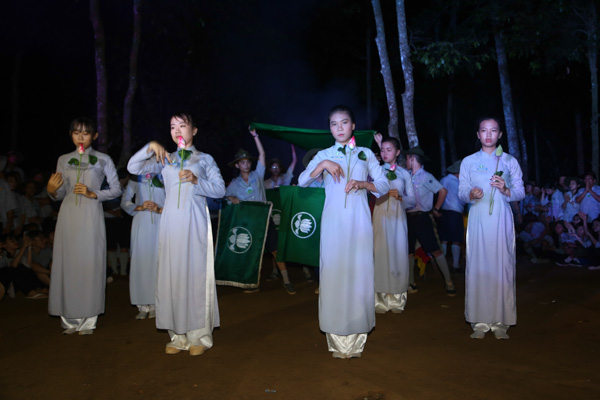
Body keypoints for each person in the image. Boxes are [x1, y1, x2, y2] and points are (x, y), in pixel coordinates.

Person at [127, 112, 225, 356]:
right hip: (170, 224)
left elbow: (220, 190)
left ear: (194, 130)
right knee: (171, 276)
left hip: (195, 223)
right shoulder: (165, 159)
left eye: (182, 125)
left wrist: (196, 180)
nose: (177, 130)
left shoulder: (205, 159)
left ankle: (199, 336)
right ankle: (177, 336)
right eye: (172, 127)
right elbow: (132, 167)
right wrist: (150, 147)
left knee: (194, 275)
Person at [298, 105, 389, 358]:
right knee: (334, 276)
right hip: (333, 224)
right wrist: (323, 164)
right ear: (330, 128)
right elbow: (302, 181)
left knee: (359, 275)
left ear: (353, 125)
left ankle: (357, 338)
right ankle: (337, 339)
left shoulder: (365, 154)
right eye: (334, 124)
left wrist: (363, 184)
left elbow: (383, 185)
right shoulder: (324, 154)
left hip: (359, 223)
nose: (339, 128)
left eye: (344, 122)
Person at [46, 117, 121, 335]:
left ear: (94, 136)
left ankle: (88, 320)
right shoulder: (64, 159)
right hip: (68, 214)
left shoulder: (103, 159)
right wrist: (51, 191)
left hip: (91, 214)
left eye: (86, 133)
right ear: (71, 134)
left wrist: (93, 193)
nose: (80, 136)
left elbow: (116, 189)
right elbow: (60, 193)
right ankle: (69, 319)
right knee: (68, 263)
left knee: (89, 263)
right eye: (76, 132)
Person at [458, 117, 525, 340]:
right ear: (478, 135)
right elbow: (461, 191)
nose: (488, 134)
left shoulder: (509, 161)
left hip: (501, 219)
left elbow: (520, 191)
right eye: (484, 130)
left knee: (502, 266)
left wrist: (506, 189)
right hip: (478, 217)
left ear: (500, 134)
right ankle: (479, 321)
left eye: (493, 130)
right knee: (478, 266)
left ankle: (501, 321)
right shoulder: (468, 161)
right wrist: (470, 194)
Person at [225, 128, 296, 294]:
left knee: (275, 250)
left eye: (248, 161)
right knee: (250, 252)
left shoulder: (258, 175)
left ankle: (286, 281)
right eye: (242, 162)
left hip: (264, 218)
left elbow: (262, 155)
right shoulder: (234, 184)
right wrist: (230, 198)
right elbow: (223, 197)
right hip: (247, 222)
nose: (246, 164)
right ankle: (250, 282)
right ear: (237, 165)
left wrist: (255, 136)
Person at [372, 133, 415, 314]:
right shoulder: (376, 171)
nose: (384, 153)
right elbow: (371, 191)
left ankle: (397, 299)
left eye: (389, 150)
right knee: (380, 254)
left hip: (398, 219)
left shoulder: (404, 174)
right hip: (380, 216)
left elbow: (412, 200)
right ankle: (380, 300)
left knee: (398, 255)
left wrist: (401, 196)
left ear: (397, 152)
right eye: (382, 150)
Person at [404, 146, 456, 296]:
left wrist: (436, 208)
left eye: (407, 159)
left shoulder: (426, 176)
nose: (405, 162)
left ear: (412, 159)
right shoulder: (407, 176)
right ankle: (411, 283)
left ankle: (449, 282)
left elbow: (442, 191)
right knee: (409, 251)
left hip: (422, 218)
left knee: (435, 249)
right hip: (408, 218)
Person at [120, 173, 165, 320]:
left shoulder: (164, 177)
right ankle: (142, 305)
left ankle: (156, 304)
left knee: (158, 260)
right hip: (141, 221)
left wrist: (161, 208)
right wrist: (138, 207)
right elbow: (125, 201)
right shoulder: (135, 179)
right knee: (141, 261)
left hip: (161, 220)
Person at [439, 159, 467, 271]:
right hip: (455, 213)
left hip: (445, 212)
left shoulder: (444, 180)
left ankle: (443, 265)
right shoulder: (459, 183)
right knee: (456, 239)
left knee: (444, 239)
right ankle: (455, 265)